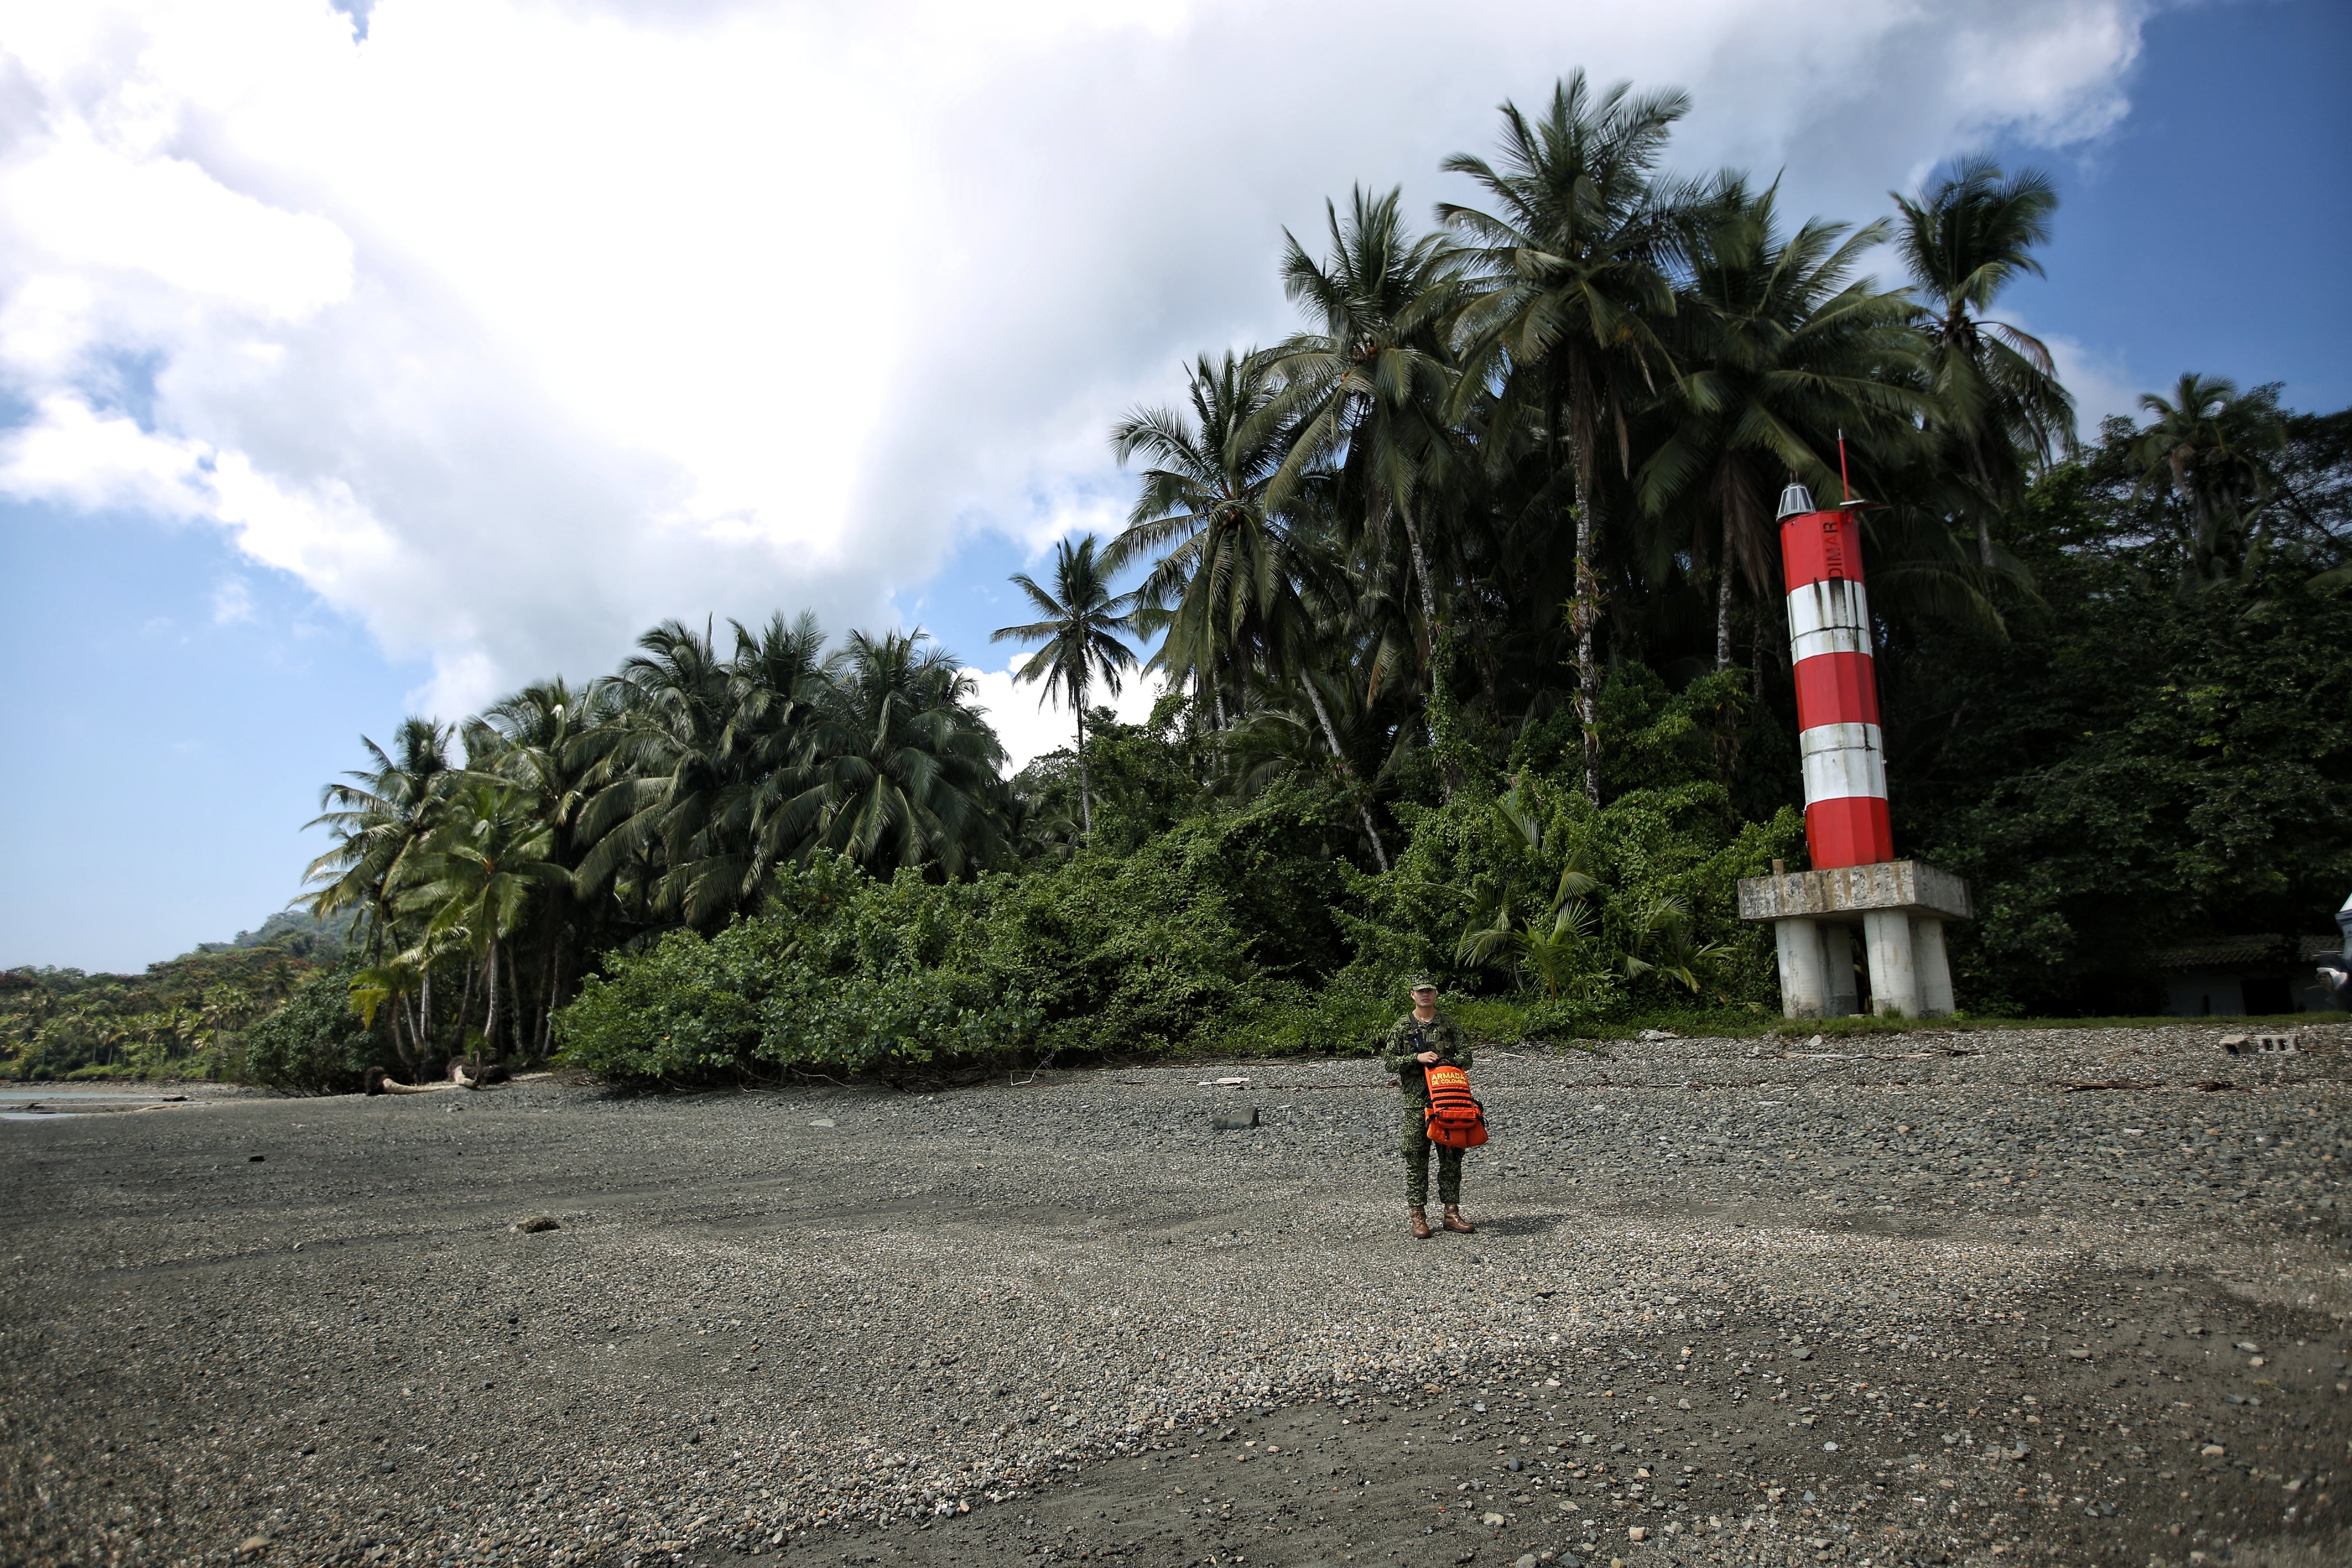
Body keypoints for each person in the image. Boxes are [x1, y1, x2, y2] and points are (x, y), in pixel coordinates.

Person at [1380, 976, 1475, 1239]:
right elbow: (1389, 1062)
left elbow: (1467, 1058)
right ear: (1413, 995)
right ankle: (1418, 1216)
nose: (1425, 996)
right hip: (1416, 1103)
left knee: (1452, 1157)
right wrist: (1417, 1057)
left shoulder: (1449, 1024)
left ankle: (1451, 1213)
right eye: (1421, 992)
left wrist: (1445, 1062)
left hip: (1448, 1101)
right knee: (1416, 1158)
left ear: (1436, 993)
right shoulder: (1402, 1027)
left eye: (1429, 991)